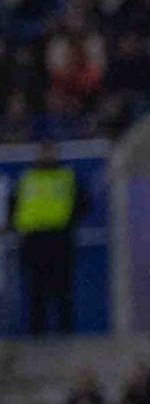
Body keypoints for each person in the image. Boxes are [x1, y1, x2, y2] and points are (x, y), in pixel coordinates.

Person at [13, 139, 78, 335]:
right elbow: (15, 205)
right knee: (36, 289)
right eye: (44, 152)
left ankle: (65, 331)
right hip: (34, 239)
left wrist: (68, 224)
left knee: (62, 289)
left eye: (50, 152)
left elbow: (81, 203)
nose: (47, 155)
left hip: (58, 238)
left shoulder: (66, 176)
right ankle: (37, 333)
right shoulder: (27, 178)